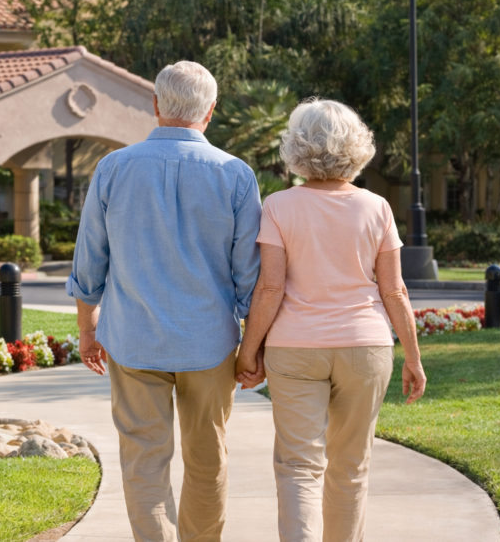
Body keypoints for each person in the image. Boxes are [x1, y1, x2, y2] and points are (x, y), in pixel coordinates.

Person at [67, 61, 262, 542]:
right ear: (211, 111)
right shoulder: (236, 176)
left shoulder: (112, 168)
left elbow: (90, 261)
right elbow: (249, 279)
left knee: (143, 462)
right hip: (209, 345)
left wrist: (87, 332)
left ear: (156, 105)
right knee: (207, 460)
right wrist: (253, 349)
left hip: (133, 342)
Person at [235, 98, 427, 542]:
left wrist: (248, 352)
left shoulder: (279, 206)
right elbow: (394, 290)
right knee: (351, 465)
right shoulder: (377, 207)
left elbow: (270, 288)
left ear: (296, 147)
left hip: (294, 349)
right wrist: (414, 358)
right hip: (365, 347)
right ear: (356, 146)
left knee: (299, 466)